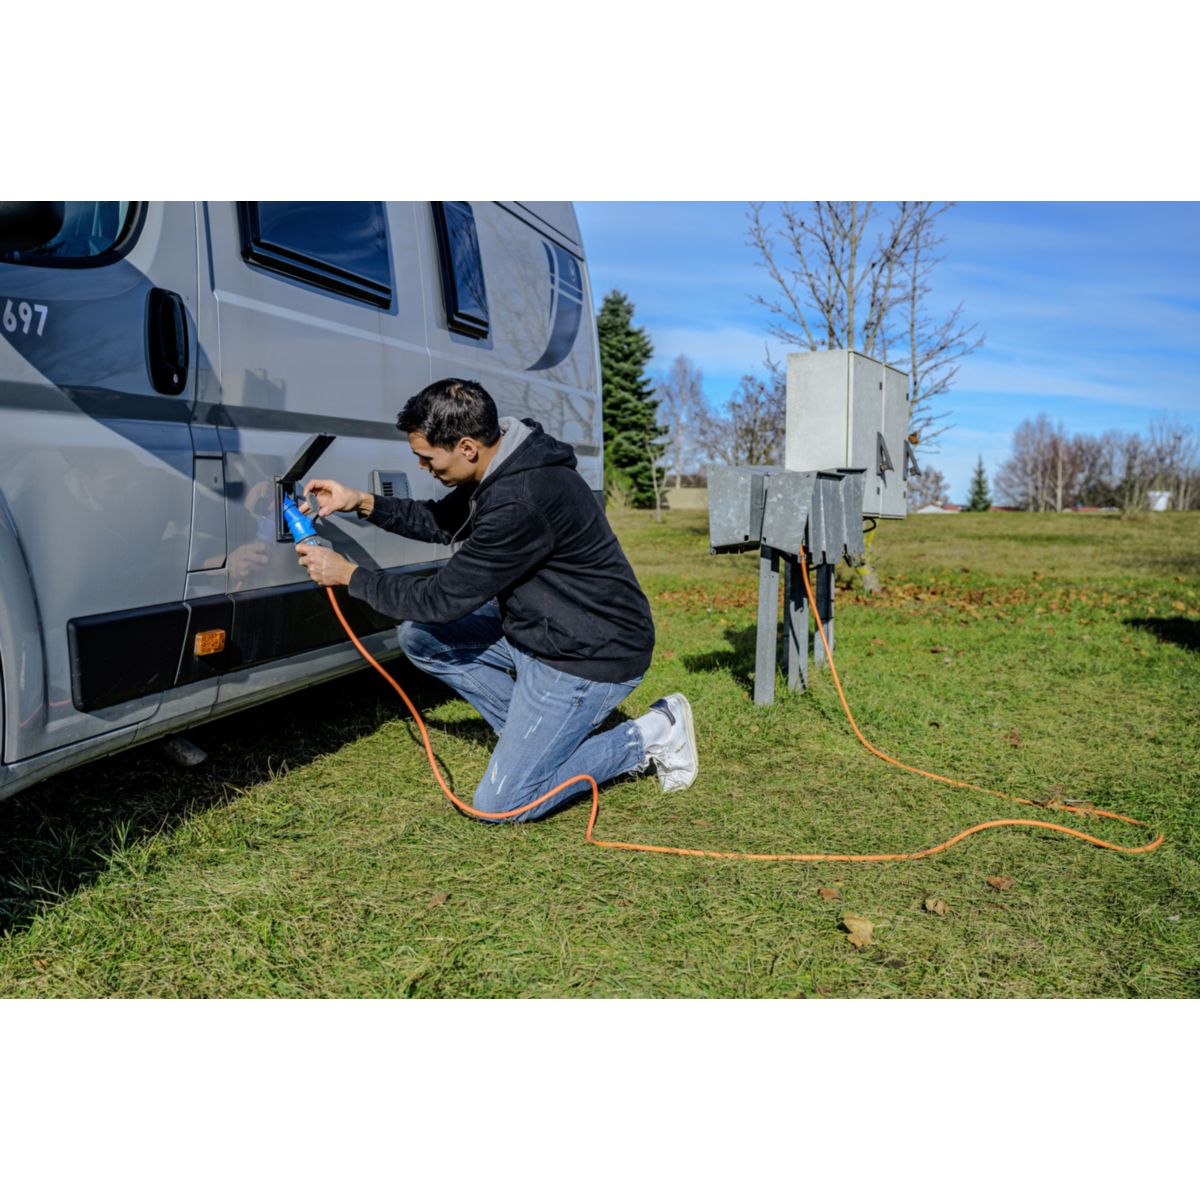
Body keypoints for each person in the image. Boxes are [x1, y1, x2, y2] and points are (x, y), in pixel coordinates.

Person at [294, 377, 698, 822]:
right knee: (422, 639)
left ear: (467, 446)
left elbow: (441, 599)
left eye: (427, 458)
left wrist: (349, 574)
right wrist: (363, 502)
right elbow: (443, 521)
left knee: (503, 804)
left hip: (588, 653)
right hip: (544, 628)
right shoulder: (504, 462)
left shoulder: (522, 498)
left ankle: (654, 732)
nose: (424, 468)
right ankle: (539, 741)